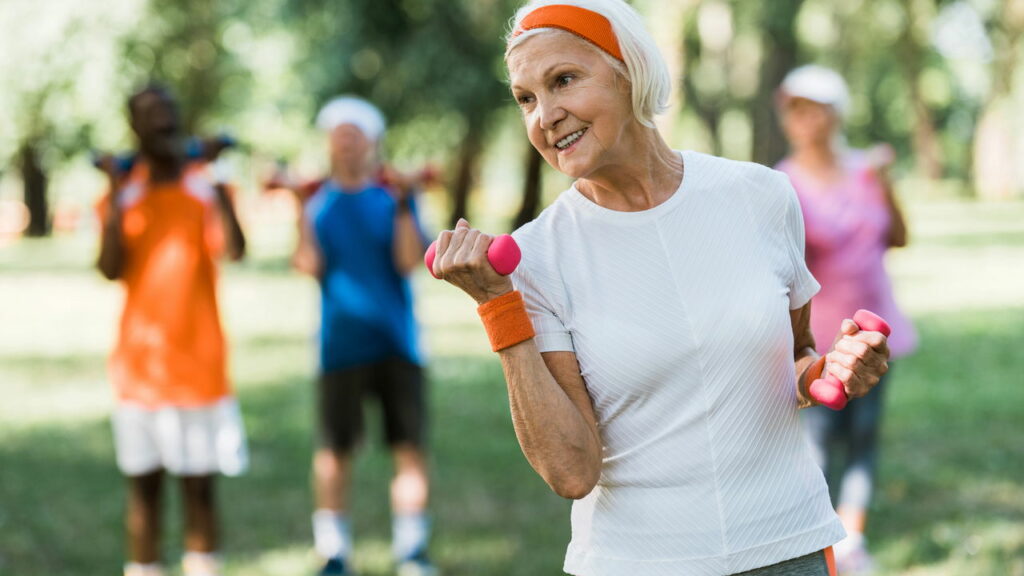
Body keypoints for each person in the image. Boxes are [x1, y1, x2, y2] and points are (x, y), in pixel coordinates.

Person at [429, 1, 892, 575]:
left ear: (630, 71)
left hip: (788, 546)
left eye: (564, 80)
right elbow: (571, 471)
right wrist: (500, 306)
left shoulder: (761, 196)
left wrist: (833, 370)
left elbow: (794, 360)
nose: (545, 114)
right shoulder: (536, 256)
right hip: (637, 562)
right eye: (526, 98)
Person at [95, 84, 248, 576]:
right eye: (149, 114)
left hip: (198, 362)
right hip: (139, 367)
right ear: (134, 127)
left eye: (169, 112)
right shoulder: (125, 189)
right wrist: (117, 197)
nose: (162, 121)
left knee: (200, 487)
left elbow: (236, 248)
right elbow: (110, 267)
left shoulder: (203, 184)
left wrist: (218, 172)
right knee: (144, 489)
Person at [775, 65, 917, 575]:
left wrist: (886, 184)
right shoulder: (780, 183)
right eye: (793, 108)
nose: (802, 118)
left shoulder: (866, 169)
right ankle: (821, 544)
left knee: (863, 437)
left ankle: (850, 540)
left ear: (836, 113)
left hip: (878, 331)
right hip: (818, 340)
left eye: (812, 106)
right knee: (815, 445)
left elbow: (897, 237)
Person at [292, 96, 436, 576]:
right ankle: (333, 552)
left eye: (355, 136)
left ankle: (411, 550)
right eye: (339, 137)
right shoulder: (317, 204)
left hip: (398, 343)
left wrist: (402, 203)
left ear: (372, 142)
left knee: (407, 448)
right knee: (334, 452)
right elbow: (309, 266)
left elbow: (408, 261)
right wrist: (298, 210)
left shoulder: (396, 199)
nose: (346, 145)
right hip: (339, 346)